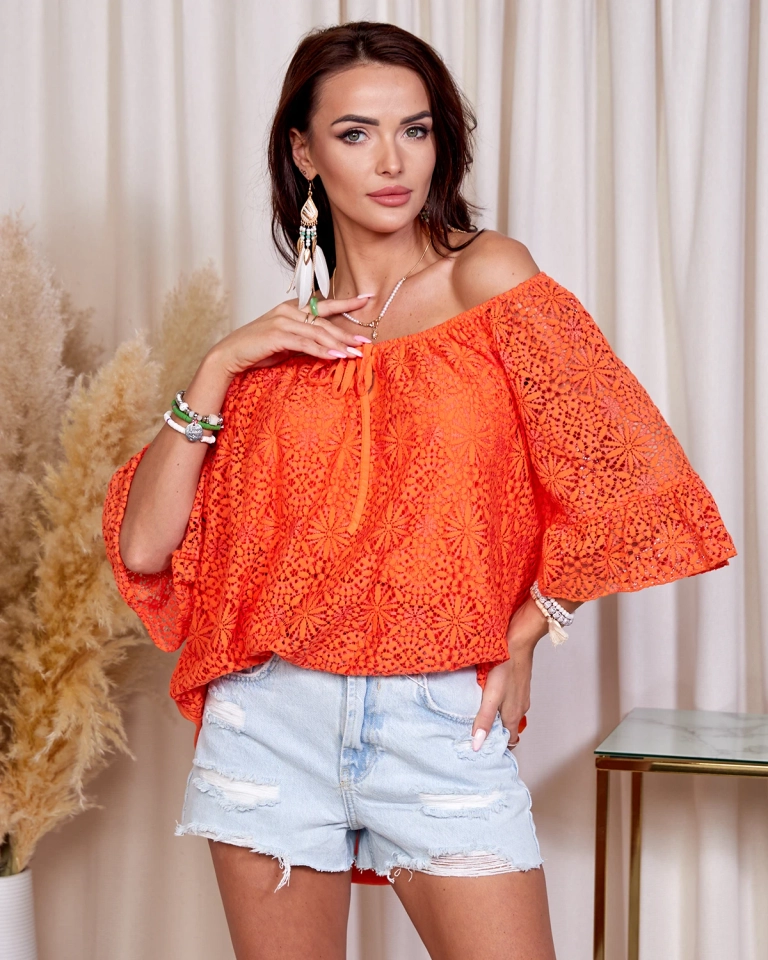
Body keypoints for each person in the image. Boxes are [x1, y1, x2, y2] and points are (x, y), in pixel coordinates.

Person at [102, 20, 737, 960]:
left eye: (417, 128)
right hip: (270, 722)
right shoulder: (276, 353)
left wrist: (531, 624)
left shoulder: (488, 277)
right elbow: (146, 546)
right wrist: (219, 364)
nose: (393, 161)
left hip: (440, 723)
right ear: (304, 153)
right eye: (356, 133)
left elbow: (630, 474)